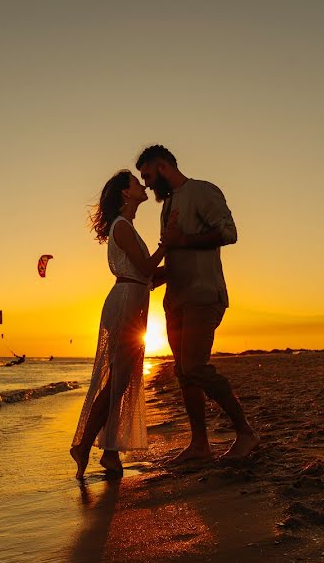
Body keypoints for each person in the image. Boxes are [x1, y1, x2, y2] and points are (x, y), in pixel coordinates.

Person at [136, 145, 260, 462]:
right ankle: (199, 445)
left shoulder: (203, 191)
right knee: (183, 372)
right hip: (175, 300)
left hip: (204, 296)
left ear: (163, 166)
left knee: (195, 367)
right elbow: (177, 252)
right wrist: (159, 275)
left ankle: (246, 433)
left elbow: (229, 233)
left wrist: (183, 241)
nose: (147, 185)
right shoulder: (169, 205)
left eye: (148, 176)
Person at [70, 170, 170, 480]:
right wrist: (168, 245)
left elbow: (149, 278)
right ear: (126, 194)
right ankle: (85, 445)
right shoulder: (123, 227)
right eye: (136, 183)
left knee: (121, 378)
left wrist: (178, 265)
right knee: (118, 379)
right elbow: (145, 268)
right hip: (125, 301)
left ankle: (109, 452)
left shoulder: (129, 227)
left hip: (134, 299)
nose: (142, 186)